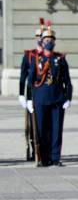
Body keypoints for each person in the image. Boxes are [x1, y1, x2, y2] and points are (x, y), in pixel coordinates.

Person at [28, 20, 73, 167]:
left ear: (54, 42)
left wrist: (68, 97)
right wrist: (29, 99)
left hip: (57, 99)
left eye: (51, 40)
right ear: (42, 42)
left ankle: (55, 158)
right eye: (46, 40)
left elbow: (67, 80)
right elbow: (31, 80)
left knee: (56, 130)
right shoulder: (36, 59)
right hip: (41, 99)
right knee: (42, 130)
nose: (49, 42)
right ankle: (43, 158)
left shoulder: (59, 59)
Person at [19, 18, 45, 161]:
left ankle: (44, 150)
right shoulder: (29, 55)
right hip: (32, 94)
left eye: (43, 37)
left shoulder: (50, 56)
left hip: (45, 93)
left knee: (44, 124)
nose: (41, 39)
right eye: (39, 37)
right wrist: (21, 95)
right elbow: (23, 76)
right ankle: (34, 147)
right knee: (32, 124)